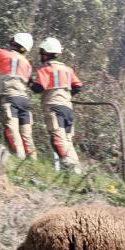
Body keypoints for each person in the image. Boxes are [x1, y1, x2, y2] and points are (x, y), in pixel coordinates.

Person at [0, 31, 37, 159]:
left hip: (9, 98)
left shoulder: (4, 54)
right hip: (24, 101)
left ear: (14, 43)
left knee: (12, 129)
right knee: (27, 135)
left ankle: (19, 156)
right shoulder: (27, 64)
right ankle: (32, 161)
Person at [30, 37, 83, 173]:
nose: (41, 57)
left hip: (54, 108)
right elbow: (78, 86)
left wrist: (30, 82)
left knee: (57, 138)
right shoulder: (67, 69)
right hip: (67, 109)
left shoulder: (45, 69)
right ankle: (77, 170)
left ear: (46, 53)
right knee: (67, 140)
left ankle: (69, 167)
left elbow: (38, 88)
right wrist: (66, 96)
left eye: (42, 53)